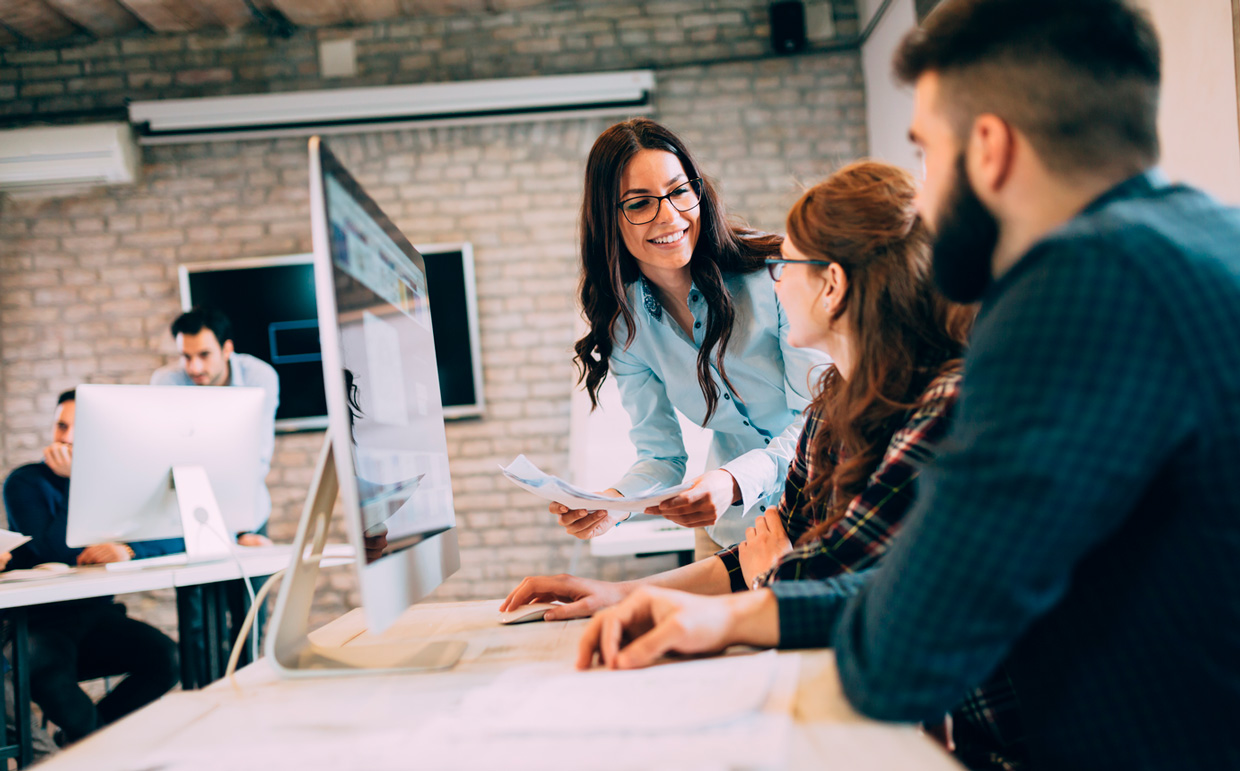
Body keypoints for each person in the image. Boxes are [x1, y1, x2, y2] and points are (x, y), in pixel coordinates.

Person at [575, 1, 1240, 769]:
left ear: (987, 148)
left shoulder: (1072, 292)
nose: (919, 195)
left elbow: (902, 645)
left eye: (926, 151)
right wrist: (726, 611)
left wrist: (760, 587)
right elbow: (925, 586)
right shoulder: (1207, 240)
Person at [509, 162, 1017, 767]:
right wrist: (617, 593)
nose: (775, 279)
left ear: (831, 286)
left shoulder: (946, 410)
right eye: (640, 203)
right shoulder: (832, 408)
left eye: (788, 264)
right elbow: (782, 557)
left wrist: (766, 577)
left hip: (994, 742)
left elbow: (829, 586)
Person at [562, 118, 828, 556]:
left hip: (825, 509)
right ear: (608, 219)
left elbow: (818, 420)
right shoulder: (627, 328)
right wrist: (614, 504)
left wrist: (733, 481)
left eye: (680, 191)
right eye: (640, 203)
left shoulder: (775, 275)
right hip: (731, 532)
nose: (669, 216)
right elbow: (662, 456)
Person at [2, 390, 180, 744]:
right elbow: (53, 549)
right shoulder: (25, 482)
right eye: (60, 426)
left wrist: (127, 549)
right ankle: (95, 749)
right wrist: (77, 481)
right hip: (41, 625)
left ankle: (83, 745)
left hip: (97, 618)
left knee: (168, 658)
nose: (65, 438)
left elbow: (176, 535)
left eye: (76, 429)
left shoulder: (117, 482)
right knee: (48, 676)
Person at [151, 306, 279, 545]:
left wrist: (237, 530)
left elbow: (257, 458)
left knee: (256, 581)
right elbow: (164, 456)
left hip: (246, 514)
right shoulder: (166, 382)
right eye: (186, 357)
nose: (194, 368)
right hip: (186, 515)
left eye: (204, 355)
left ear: (227, 349)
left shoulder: (259, 377)